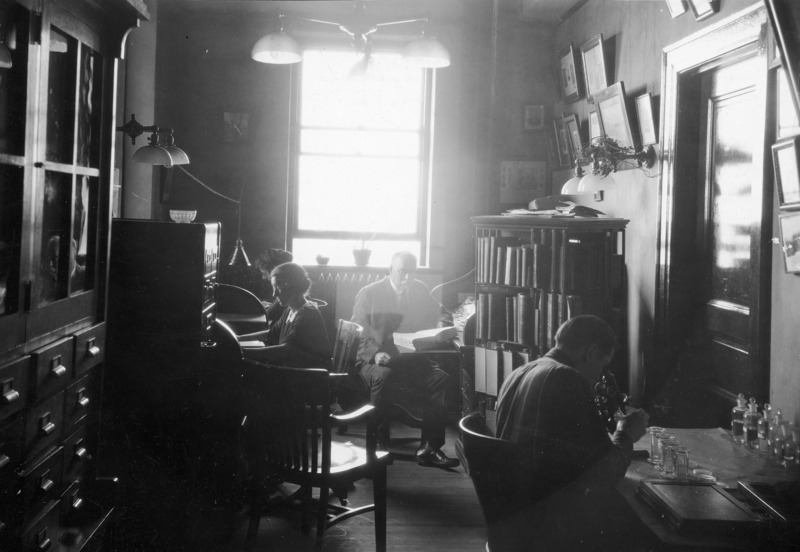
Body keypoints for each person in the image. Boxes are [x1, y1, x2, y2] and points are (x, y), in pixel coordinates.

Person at [495, 315, 651, 551]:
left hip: (514, 517)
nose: (598, 377)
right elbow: (604, 475)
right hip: (550, 526)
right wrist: (626, 433)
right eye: (601, 366)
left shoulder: (521, 371)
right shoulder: (567, 378)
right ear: (591, 351)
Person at [351, 251, 459, 469]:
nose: (408, 278)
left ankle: (429, 447)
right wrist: (374, 353)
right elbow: (357, 330)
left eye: (412, 272)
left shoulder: (419, 288)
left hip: (410, 359)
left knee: (439, 378)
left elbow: (442, 312)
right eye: (403, 272)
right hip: (375, 360)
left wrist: (441, 323)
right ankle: (378, 444)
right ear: (391, 270)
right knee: (385, 376)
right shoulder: (370, 293)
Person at [242, 262, 331, 369]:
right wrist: (238, 339)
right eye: (273, 288)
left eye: (277, 288)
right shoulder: (289, 311)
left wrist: (242, 351)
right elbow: (270, 333)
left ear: (294, 286)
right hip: (297, 371)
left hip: (312, 376)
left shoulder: (307, 313)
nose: (274, 294)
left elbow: (285, 350)